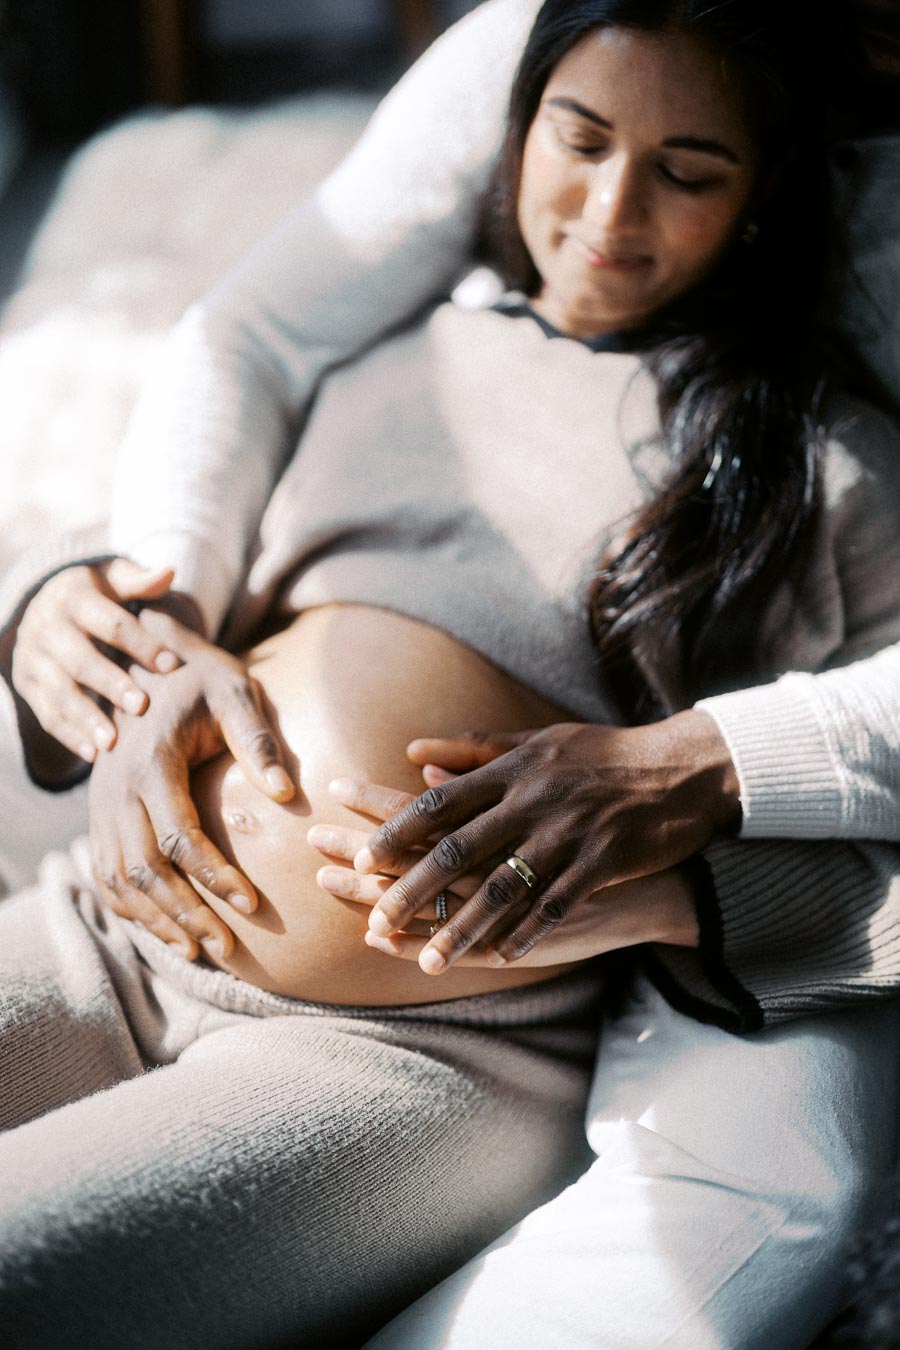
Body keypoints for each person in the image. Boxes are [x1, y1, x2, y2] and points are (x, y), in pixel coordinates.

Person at [1, 3, 900, 1348]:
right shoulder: (379, 341)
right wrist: (62, 602)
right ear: (513, 128)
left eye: (690, 170)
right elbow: (183, 532)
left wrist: (682, 891)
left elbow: (873, 843)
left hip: (413, 1055)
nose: (611, 210)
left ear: (765, 193)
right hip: (112, 925)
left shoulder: (820, 469)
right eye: (578, 139)